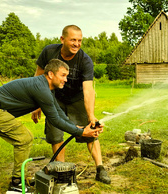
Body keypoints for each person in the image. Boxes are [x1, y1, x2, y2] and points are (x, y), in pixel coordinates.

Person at [0, 59, 102, 193]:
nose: (66, 80)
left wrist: (76, 127)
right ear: (50, 74)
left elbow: (58, 112)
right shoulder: (41, 88)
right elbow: (54, 119)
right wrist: (81, 132)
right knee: (25, 138)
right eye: (63, 75)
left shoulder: (46, 88)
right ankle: (17, 183)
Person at [31, 25, 111, 184]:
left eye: (79, 40)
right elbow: (38, 78)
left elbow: (88, 89)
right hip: (54, 99)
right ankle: (61, 171)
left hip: (77, 99)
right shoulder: (49, 52)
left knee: (90, 132)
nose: (77, 44)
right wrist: (37, 103)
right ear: (62, 39)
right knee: (55, 136)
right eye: (73, 40)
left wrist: (91, 116)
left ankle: (100, 168)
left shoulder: (85, 60)